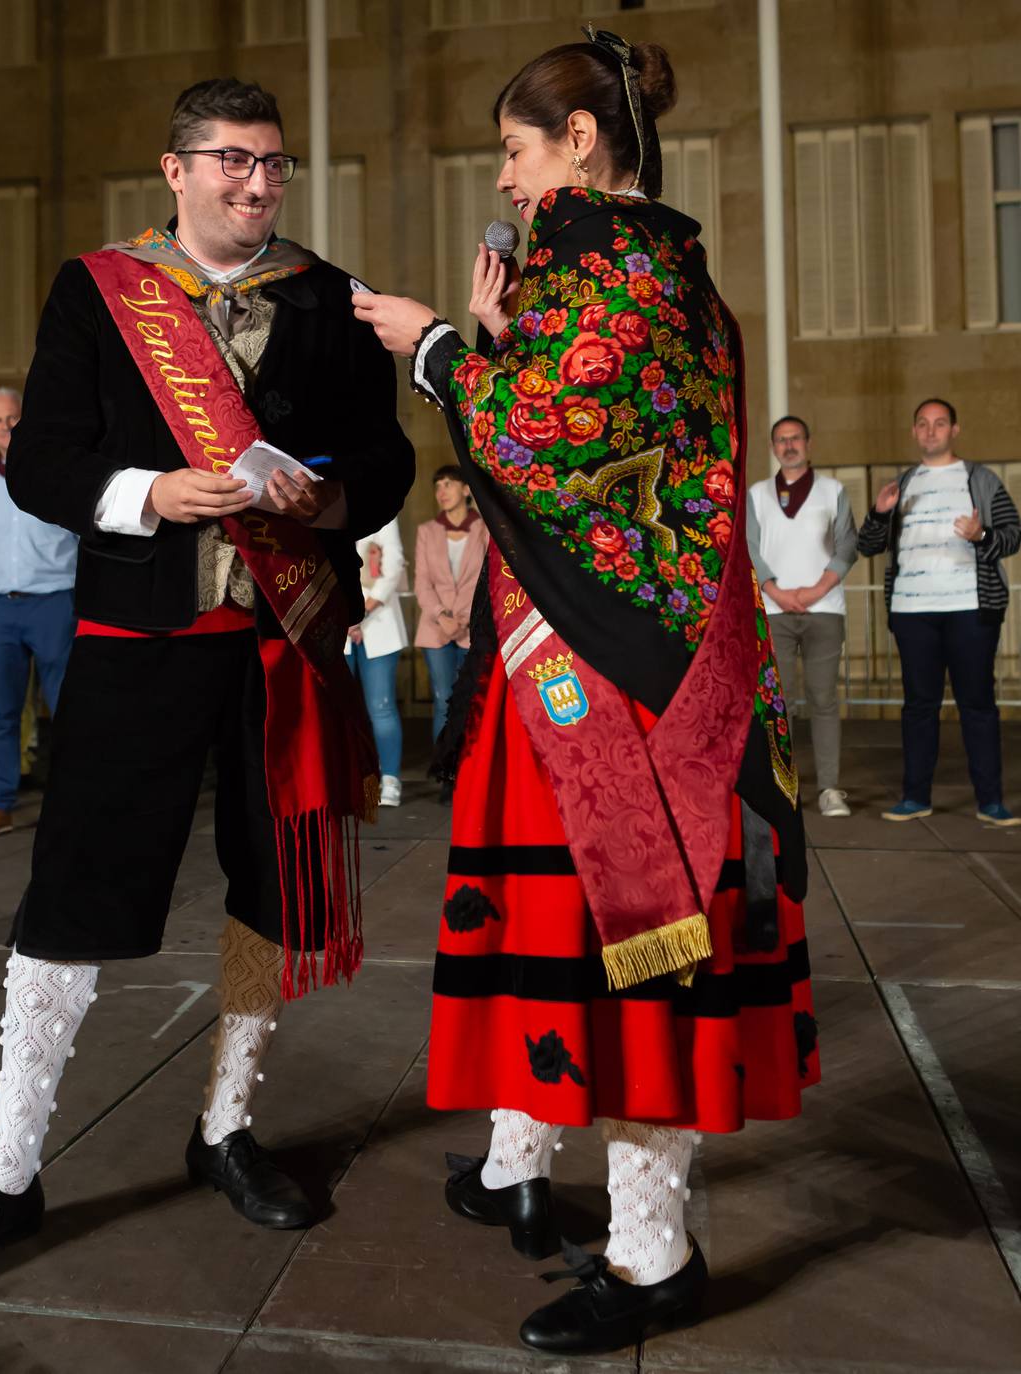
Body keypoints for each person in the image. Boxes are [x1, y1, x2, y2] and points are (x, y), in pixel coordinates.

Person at [0, 76, 413, 1301]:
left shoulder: (326, 296)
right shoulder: (97, 289)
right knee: (76, 888)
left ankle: (226, 1125)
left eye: (274, 163)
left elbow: (383, 460)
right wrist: (154, 496)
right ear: (174, 171)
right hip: (139, 626)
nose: (258, 181)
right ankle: (9, 1175)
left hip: (285, 631)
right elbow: (48, 460)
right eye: (233, 160)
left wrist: (329, 500)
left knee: (272, 884)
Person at [355, 30, 817, 1355]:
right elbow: (571, 423)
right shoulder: (636, 266)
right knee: (547, 934)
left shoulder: (613, 258)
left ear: (579, 140)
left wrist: (438, 344)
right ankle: (517, 1158)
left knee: (627, 948)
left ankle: (654, 1251)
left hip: (620, 676)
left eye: (513, 149)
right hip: (569, 650)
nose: (504, 179)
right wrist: (498, 333)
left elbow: (547, 433)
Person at [857, 398, 1021, 826]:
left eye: (940, 423)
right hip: (913, 610)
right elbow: (868, 546)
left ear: (954, 430)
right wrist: (879, 513)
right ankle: (915, 797)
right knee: (918, 706)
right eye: (923, 424)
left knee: (978, 704)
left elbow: (1012, 534)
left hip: (970, 607)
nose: (931, 431)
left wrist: (980, 532)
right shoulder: (902, 484)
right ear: (914, 432)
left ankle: (990, 802)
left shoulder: (981, 479)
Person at [0, 387, 78, 841]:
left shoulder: (59, 474)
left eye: (13, 418)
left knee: (67, 709)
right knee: (2, 714)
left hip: (54, 602)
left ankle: (74, 806)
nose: (6, 428)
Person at [747, 416, 857, 817]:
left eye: (795, 439)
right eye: (781, 440)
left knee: (824, 700)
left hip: (824, 609)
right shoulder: (757, 495)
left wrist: (816, 590)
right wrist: (775, 590)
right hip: (775, 610)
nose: (789, 445)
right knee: (780, 703)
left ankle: (830, 789)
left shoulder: (833, 491)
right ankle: (785, 787)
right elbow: (750, 548)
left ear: (808, 443)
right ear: (773, 447)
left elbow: (847, 545)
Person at [414, 465, 489, 742]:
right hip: (436, 629)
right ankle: (444, 777)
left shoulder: (484, 530)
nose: (441, 491)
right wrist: (442, 615)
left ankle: (469, 777)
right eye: (437, 485)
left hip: (473, 628)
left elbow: (490, 581)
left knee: (472, 703)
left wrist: (467, 617)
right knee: (444, 701)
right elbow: (422, 582)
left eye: (448, 484)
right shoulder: (427, 531)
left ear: (466, 489)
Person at [346, 517, 409, 807]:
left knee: (380, 706)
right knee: (342, 710)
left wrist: (361, 612)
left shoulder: (384, 516)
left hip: (378, 620)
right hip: (338, 627)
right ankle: (350, 780)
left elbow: (393, 565)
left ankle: (390, 779)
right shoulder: (326, 512)